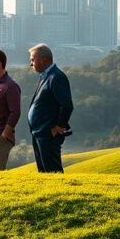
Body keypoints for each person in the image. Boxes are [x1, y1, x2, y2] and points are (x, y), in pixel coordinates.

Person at [26, 43, 73, 173]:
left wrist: (59, 127)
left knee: (52, 171)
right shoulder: (46, 76)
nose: (31, 64)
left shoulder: (56, 77)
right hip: (39, 133)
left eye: (33, 60)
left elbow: (67, 105)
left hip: (48, 134)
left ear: (43, 60)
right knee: (43, 173)